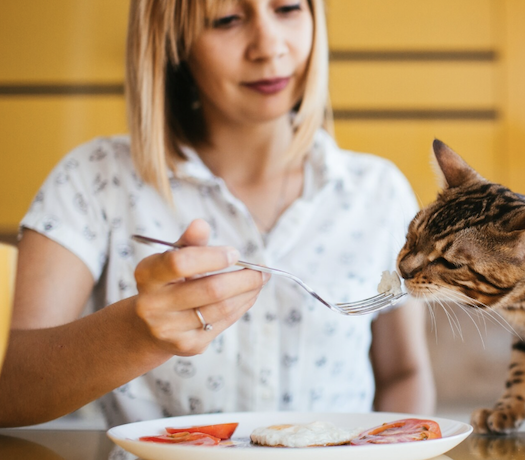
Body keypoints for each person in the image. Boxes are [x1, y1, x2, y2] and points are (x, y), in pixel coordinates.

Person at [0, 0, 435, 428]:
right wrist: (137, 334)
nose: (269, 46)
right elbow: (8, 388)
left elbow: (403, 374)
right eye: (226, 19)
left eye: (287, 9)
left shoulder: (378, 190)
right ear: (173, 42)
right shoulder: (95, 178)